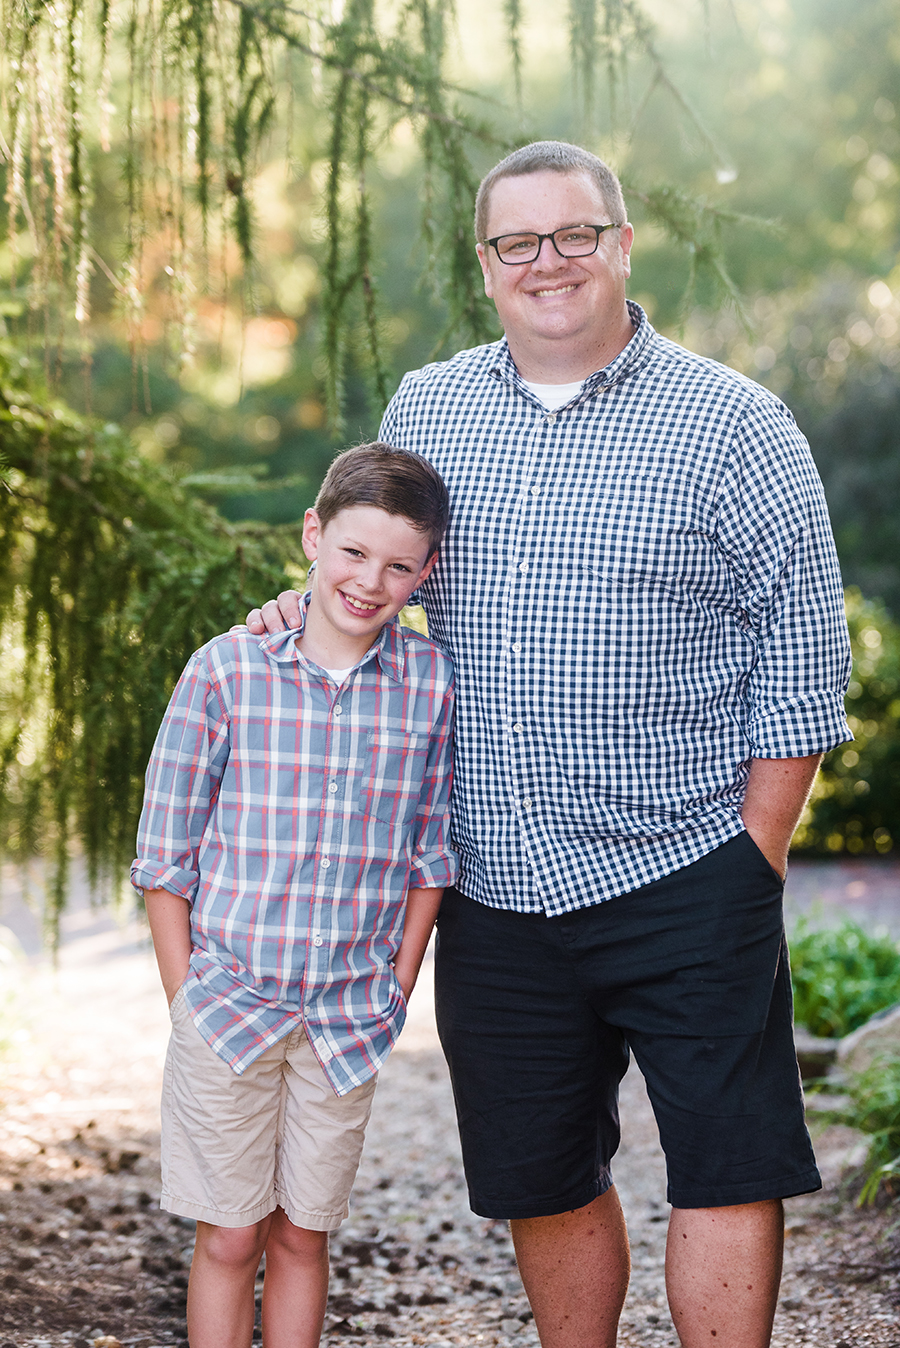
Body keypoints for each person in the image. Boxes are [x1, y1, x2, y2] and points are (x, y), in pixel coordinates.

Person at [247, 142, 852, 1348]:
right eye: (517, 242)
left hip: (687, 867)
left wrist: (757, 852)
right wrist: (298, 614)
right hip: (495, 882)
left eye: (575, 234)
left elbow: (803, 653)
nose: (549, 262)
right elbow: (381, 578)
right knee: (542, 1173)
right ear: (486, 266)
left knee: (726, 1165)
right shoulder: (430, 409)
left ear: (621, 244)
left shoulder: (737, 424)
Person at [132, 442, 457, 1348]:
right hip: (228, 1006)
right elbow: (165, 856)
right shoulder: (225, 671)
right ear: (314, 535)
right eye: (353, 552)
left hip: (345, 1017)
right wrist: (185, 999)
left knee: (304, 1234)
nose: (370, 581)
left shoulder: (429, 685)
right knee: (232, 1234)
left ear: (426, 574)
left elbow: (429, 852)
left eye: (399, 566)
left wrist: (397, 984)